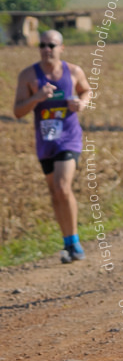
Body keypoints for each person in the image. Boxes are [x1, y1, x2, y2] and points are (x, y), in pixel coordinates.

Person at [13, 30, 92, 263]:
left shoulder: (73, 71)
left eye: (52, 45)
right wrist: (36, 97)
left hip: (69, 137)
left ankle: (75, 241)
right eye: (43, 45)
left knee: (62, 185)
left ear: (61, 48)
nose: (47, 49)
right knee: (55, 193)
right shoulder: (28, 75)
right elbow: (18, 111)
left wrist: (82, 103)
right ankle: (67, 242)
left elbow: (86, 90)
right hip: (45, 141)